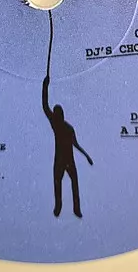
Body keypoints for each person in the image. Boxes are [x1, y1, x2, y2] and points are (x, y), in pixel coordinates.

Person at [42, 75, 93, 218]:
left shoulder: (64, 127)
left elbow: (75, 144)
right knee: (63, 183)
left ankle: (72, 208)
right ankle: (61, 207)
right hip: (63, 159)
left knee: (66, 183)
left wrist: (87, 156)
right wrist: (45, 86)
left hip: (65, 159)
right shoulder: (60, 125)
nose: (57, 115)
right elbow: (45, 106)